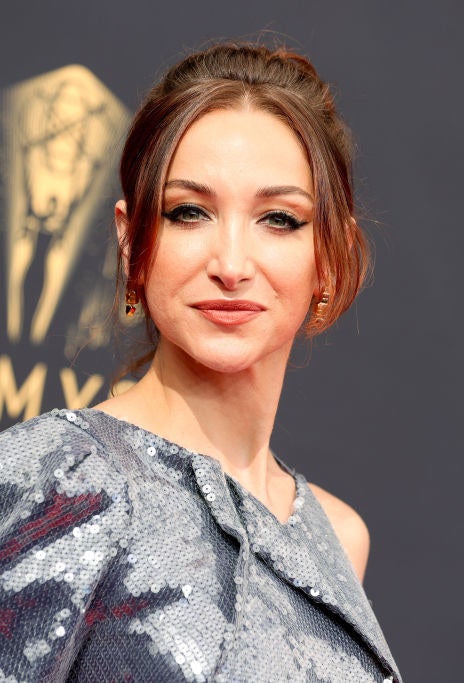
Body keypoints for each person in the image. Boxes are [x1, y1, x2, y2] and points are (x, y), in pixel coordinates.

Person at [0, 42, 402, 682]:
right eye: (189, 212)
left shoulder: (337, 536)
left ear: (330, 254)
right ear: (132, 241)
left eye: (279, 219)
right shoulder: (54, 476)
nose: (232, 265)